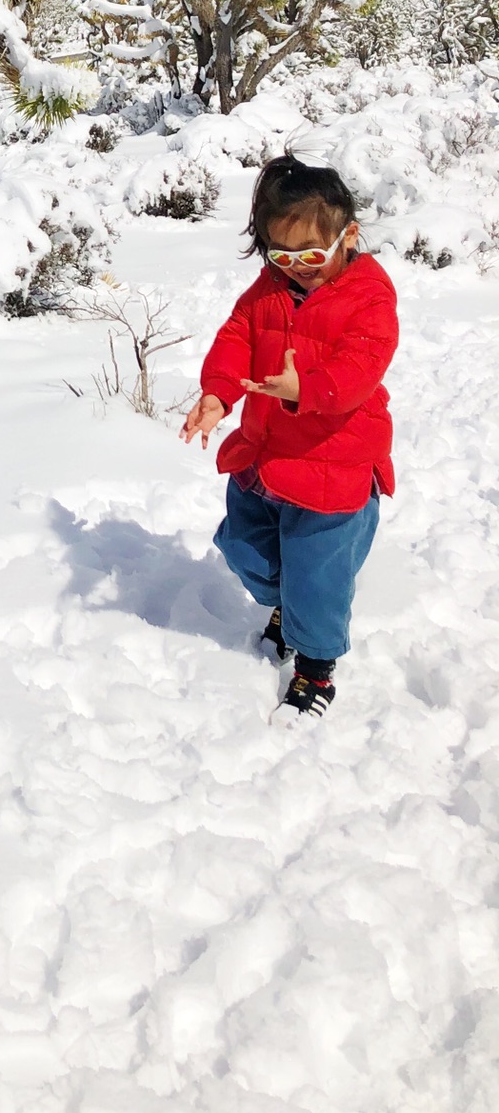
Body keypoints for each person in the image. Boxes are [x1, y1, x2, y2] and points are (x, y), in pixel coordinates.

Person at [182, 155, 399, 717]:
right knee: (242, 547)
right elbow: (236, 334)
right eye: (281, 254)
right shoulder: (270, 287)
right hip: (265, 455)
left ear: (348, 236)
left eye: (310, 255)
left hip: (335, 466)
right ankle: (286, 604)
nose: (296, 266)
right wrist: (218, 393)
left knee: (316, 576)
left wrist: (309, 387)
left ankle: (316, 667)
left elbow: (360, 367)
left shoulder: (370, 298)